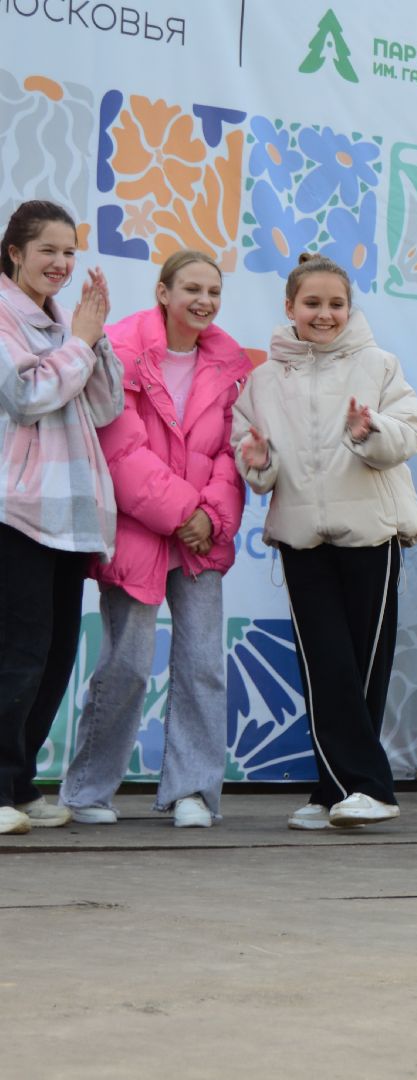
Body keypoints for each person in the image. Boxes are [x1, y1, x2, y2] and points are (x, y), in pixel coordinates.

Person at [59, 250, 251, 829]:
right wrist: (184, 514)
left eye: (213, 291)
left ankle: (191, 791)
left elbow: (231, 453)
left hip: (200, 539)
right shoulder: (118, 350)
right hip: (139, 531)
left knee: (201, 665)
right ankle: (88, 791)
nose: (204, 301)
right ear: (163, 292)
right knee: (128, 663)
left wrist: (211, 519)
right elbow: (119, 448)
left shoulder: (230, 363)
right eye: (191, 288)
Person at [233, 253, 417, 831]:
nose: (324, 314)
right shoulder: (263, 379)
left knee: (361, 668)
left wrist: (372, 431)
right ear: (289, 307)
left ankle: (365, 788)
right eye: (312, 304)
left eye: (335, 304)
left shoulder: (380, 364)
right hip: (300, 537)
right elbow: (252, 452)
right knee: (323, 666)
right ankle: (335, 789)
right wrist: (258, 462)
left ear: (350, 307)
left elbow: (409, 433)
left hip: (371, 532)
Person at [0, 200, 122, 837]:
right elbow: (26, 397)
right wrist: (79, 341)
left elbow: (104, 406)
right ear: (14, 252)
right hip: (18, 510)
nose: (61, 263)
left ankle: (18, 786)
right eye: (47, 249)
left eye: (69, 252)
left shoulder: (62, 322)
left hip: (72, 513)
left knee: (52, 656)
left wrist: (92, 340)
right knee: (17, 652)